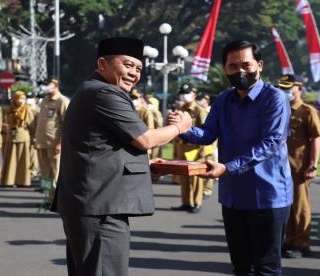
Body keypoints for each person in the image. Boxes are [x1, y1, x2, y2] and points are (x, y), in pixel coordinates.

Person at [53, 37, 193, 276]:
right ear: (102, 64)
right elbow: (145, 139)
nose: (133, 73)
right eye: (127, 65)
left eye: (138, 68)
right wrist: (182, 126)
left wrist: (144, 165)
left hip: (93, 205)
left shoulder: (91, 90)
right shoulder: (104, 92)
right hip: (100, 209)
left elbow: (100, 149)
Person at [169, 40, 293, 275]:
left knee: (266, 268)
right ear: (225, 68)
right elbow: (208, 133)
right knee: (240, 266)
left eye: (246, 65)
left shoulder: (275, 98)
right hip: (234, 196)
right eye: (233, 66)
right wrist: (182, 127)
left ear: (260, 65)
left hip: (268, 195)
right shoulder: (224, 99)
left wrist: (227, 167)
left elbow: (270, 144)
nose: (240, 71)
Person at [276, 74, 320, 259]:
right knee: (285, 206)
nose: (285, 91)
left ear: (299, 88)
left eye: (289, 87)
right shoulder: (280, 109)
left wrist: (313, 164)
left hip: (298, 167)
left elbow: (316, 139)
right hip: (279, 167)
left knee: (300, 207)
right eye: (283, 87)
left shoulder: (307, 111)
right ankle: (289, 239)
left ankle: (302, 242)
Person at [171, 83, 208, 214]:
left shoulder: (200, 111)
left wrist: (203, 149)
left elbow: (205, 131)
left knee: (196, 178)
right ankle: (186, 202)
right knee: (184, 177)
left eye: (186, 93)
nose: (183, 95)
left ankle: (197, 203)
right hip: (182, 146)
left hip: (195, 148)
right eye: (182, 93)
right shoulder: (181, 108)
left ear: (194, 94)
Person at [35, 78, 69, 201]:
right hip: (41, 143)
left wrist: (60, 143)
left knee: (56, 173)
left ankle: (58, 201)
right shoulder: (44, 100)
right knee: (45, 174)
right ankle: (48, 199)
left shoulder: (62, 101)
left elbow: (66, 124)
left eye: (48, 85)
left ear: (56, 86)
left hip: (54, 144)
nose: (45, 87)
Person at [1, 91, 32, 187]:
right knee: (11, 160)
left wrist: (34, 136)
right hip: (11, 136)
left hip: (23, 137)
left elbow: (31, 123)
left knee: (23, 160)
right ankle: (9, 181)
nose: (21, 100)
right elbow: (5, 122)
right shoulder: (9, 109)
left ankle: (23, 181)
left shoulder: (27, 109)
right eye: (19, 98)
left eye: (23, 98)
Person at [196, 92, 217, 199]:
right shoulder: (199, 110)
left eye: (202, 99)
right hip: (204, 143)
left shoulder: (209, 110)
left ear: (207, 100)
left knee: (210, 166)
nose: (199, 101)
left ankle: (207, 190)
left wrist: (204, 147)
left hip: (210, 145)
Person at [26, 92, 40, 180]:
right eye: (28, 97)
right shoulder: (25, 107)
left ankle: (33, 171)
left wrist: (36, 136)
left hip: (33, 133)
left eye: (31, 97)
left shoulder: (37, 109)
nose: (29, 99)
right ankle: (28, 171)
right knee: (28, 154)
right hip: (26, 134)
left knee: (33, 155)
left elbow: (38, 124)